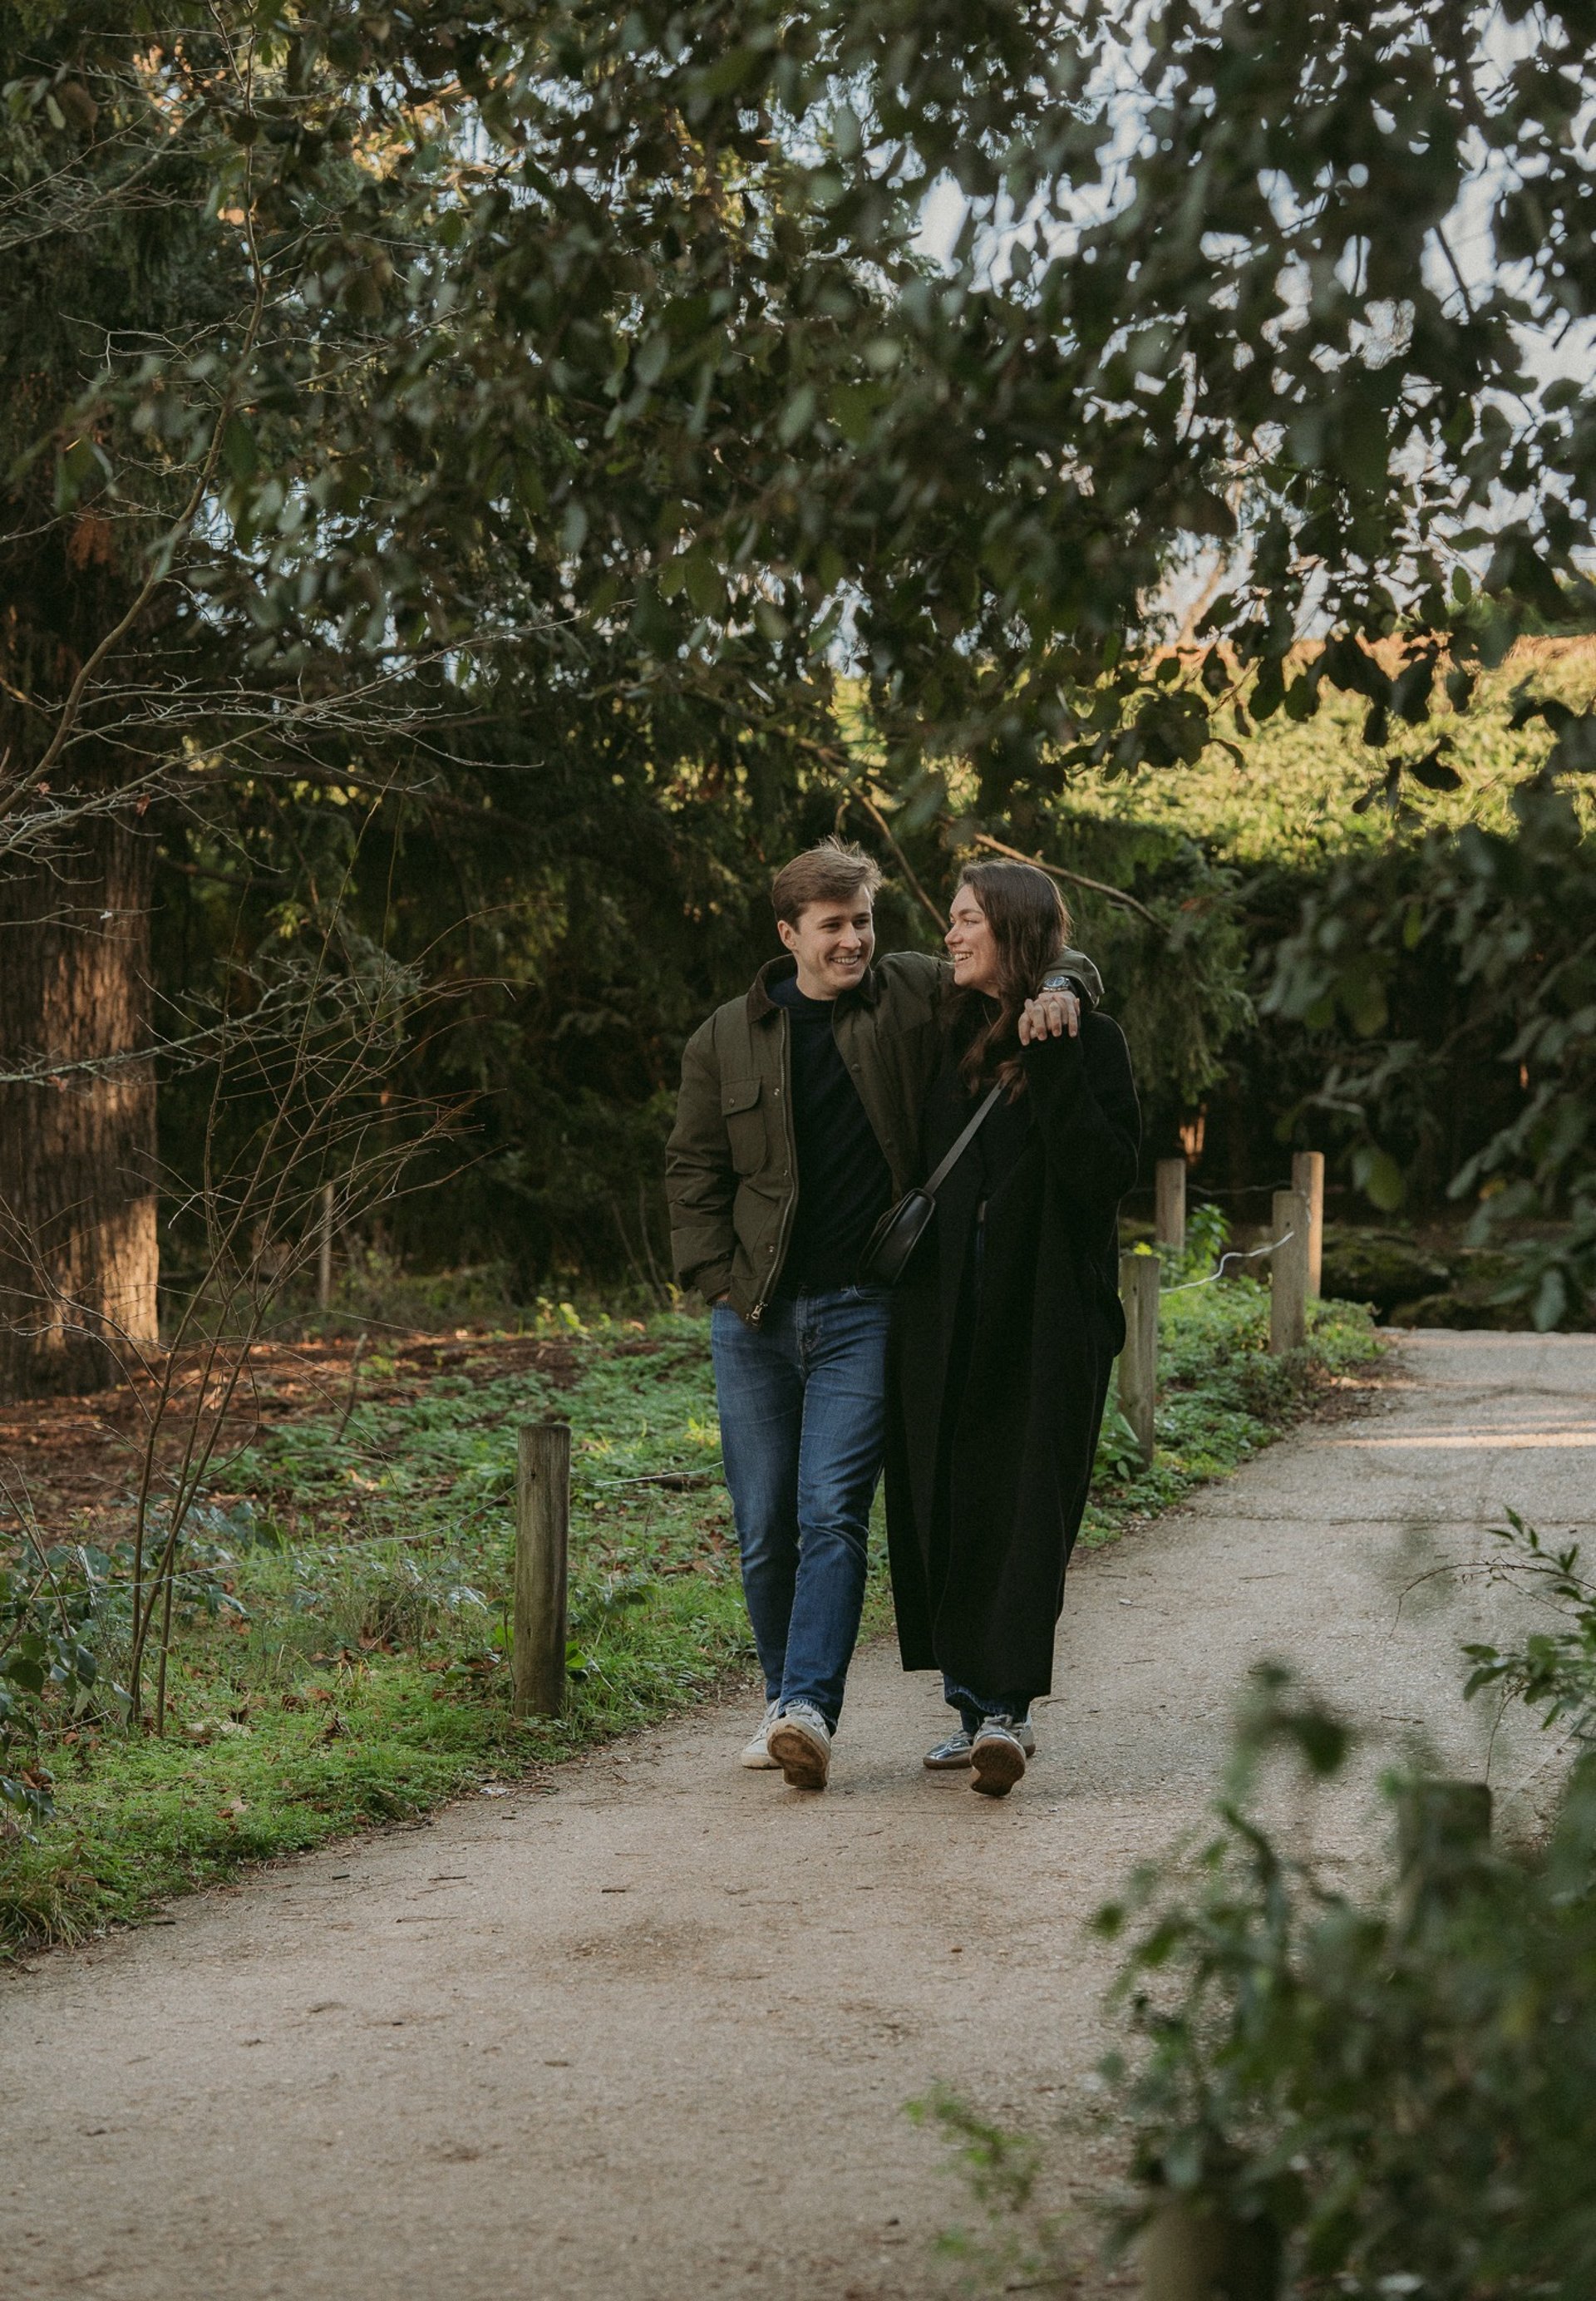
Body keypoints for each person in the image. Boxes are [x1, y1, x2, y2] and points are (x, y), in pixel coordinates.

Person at [665, 840, 1101, 1791]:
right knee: (765, 1523)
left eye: (865, 919)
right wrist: (719, 1281)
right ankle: (784, 1693)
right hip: (755, 1315)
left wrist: (1066, 981)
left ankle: (812, 1707)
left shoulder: (907, 992)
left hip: (866, 1305)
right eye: (835, 926)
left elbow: (1035, 955)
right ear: (789, 936)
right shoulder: (723, 1040)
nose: (857, 939)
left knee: (831, 1509)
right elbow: (692, 1173)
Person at [884, 860, 1140, 1797]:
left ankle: (1007, 1711)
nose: (949, 935)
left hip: (1047, 1321)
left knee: (1029, 1505)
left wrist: (1061, 1045)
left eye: (965, 920)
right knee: (947, 1497)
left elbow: (1102, 1172)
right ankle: (964, 1704)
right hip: (943, 1320)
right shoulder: (940, 1032)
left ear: (1012, 929)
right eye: (948, 920)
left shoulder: (1088, 1041)